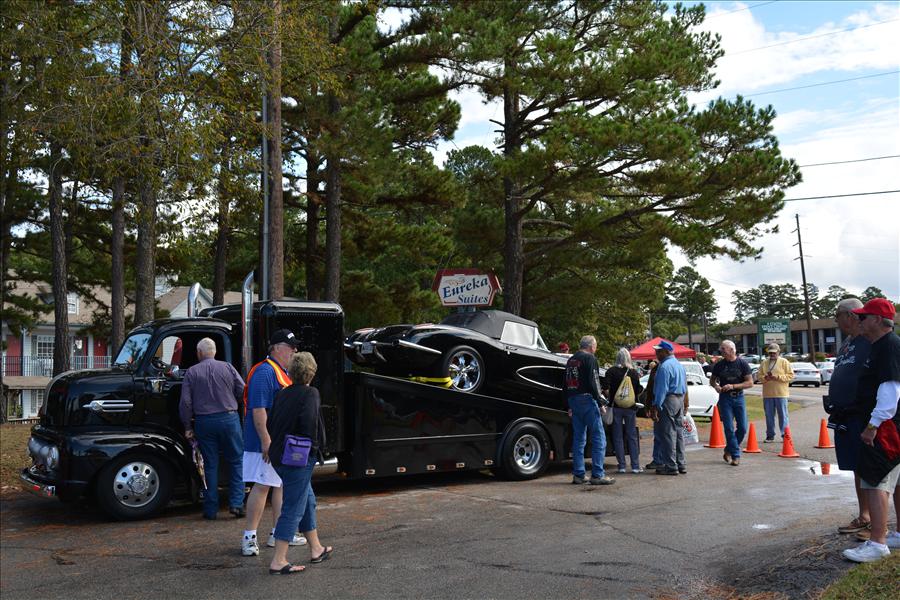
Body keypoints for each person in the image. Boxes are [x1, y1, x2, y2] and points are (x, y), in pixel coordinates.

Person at [841, 298, 900, 563]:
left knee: (875, 481)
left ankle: (877, 543)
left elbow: (890, 391)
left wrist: (872, 426)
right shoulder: (882, 345)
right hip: (889, 425)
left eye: (863, 317)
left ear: (877, 319)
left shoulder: (888, 346)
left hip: (885, 427)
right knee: (896, 481)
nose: (859, 321)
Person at [241, 329, 307, 556]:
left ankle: (279, 533)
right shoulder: (265, 372)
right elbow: (258, 409)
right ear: (277, 348)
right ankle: (249, 537)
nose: (295, 350)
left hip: (277, 442)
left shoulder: (278, 372)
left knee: (277, 485)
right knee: (262, 486)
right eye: (291, 347)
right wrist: (266, 442)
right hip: (266, 443)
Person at [266, 351, 333, 574]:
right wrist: (314, 449)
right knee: (293, 506)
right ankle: (279, 560)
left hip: (279, 455)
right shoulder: (310, 393)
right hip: (298, 457)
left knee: (307, 500)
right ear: (311, 372)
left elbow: (271, 423)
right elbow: (309, 423)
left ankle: (316, 548)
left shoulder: (282, 394)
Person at [179, 338, 246, 520]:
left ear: (199, 353)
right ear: (214, 352)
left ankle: (210, 509)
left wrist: (187, 426)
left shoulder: (192, 372)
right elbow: (242, 390)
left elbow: (185, 402)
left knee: (209, 464)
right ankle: (236, 504)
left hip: (204, 422)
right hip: (229, 419)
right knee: (236, 461)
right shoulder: (228, 367)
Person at [828, 298, 873, 537]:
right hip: (844, 415)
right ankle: (865, 516)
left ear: (851, 315)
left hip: (862, 414)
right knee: (856, 466)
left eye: (838, 315)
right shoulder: (847, 343)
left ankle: (876, 522)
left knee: (869, 467)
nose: (836, 320)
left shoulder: (869, 341)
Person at [564, 335, 614, 485]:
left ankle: (579, 474)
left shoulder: (571, 360)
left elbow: (565, 383)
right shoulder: (590, 359)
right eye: (595, 346)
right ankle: (598, 474)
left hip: (573, 400)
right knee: (599, 438)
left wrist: (568, 405)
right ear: (591, 346)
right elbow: (594, 382)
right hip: (587, 400)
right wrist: (600, 402)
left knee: (579, 439)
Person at [709, 340, 753, 466]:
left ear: (732, 350)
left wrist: (733, 386)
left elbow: (750, 383)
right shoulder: (719, 365)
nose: (721, 351)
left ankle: (728, 449)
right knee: (728, 428)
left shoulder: (742, 364)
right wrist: (716, 387)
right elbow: (712, 381)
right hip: (725, 398)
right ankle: (735, 455)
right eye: (721, 349)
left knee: (743, 428)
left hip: (739, 397)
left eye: (723, 349)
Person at [603, 348, 644, 474]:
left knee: (618, 436)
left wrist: (613, 397)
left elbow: (605, 388)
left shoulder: (611, 371)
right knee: (632, 436)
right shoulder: (633, 372)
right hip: (630, 407)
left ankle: (621, 465)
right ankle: (635, 466)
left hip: (616, 407)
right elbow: (638, 389)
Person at [651, 340, 687, 475]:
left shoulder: (664, 366)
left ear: (665, 352)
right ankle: (681, 463)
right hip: (679, 398)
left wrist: (656, 406)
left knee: (667, 434)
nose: (656, 354)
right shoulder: (679, 365)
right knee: (678, 433)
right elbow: (684, 386)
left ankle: (671, 466)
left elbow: (661, 389)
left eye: (658, 351)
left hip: (668, 400)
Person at [759, 343, 795, 442]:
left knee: (783, 415)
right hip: (768, 394)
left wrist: (778, 377)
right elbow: (759, 376)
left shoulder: (784, 362)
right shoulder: (764, 363)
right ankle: (770, 435)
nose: (772, 354)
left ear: (778, 352)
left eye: (774, 353)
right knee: (769, 416)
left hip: (781, 394)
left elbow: (791, 376)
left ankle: (785, 435)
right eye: (770, 353)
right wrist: (765, 378)